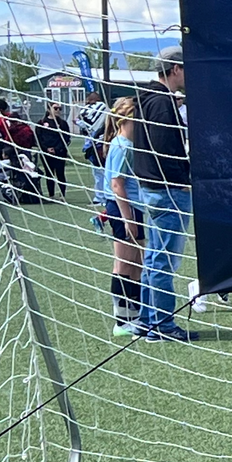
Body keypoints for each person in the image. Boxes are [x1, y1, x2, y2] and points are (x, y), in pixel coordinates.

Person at [132, 46, 193, 341]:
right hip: (166, 190)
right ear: (175, 69)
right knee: (163, 261)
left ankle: (147, 321)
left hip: (151, 188)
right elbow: (164, 148)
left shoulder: (145, 98)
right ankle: (163, 325)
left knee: (154, 259)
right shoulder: (161, 103)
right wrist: (181, 179)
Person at [98, 97, 143, 336]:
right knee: (123, 263)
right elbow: (117, 185)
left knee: (137, 263)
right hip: (124, 208)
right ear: (127, 120)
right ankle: (122, 321)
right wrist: (128, 219)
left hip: (135, 208)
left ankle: (136, 314)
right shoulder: (122, 145)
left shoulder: (127, 144)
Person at [36, 102, 69, 200]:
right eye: (56, 108)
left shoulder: (62, 123)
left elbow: (66, 138)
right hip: (46, 153)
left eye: (60, 109)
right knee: (49, 173)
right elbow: (39, 138)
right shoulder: (41, 123)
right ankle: (51, 194)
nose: (58, 111)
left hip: (59, 153)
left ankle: (62, 195)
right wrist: (46, 148)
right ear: (49, 109)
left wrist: (57, 149)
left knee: (60, 173)